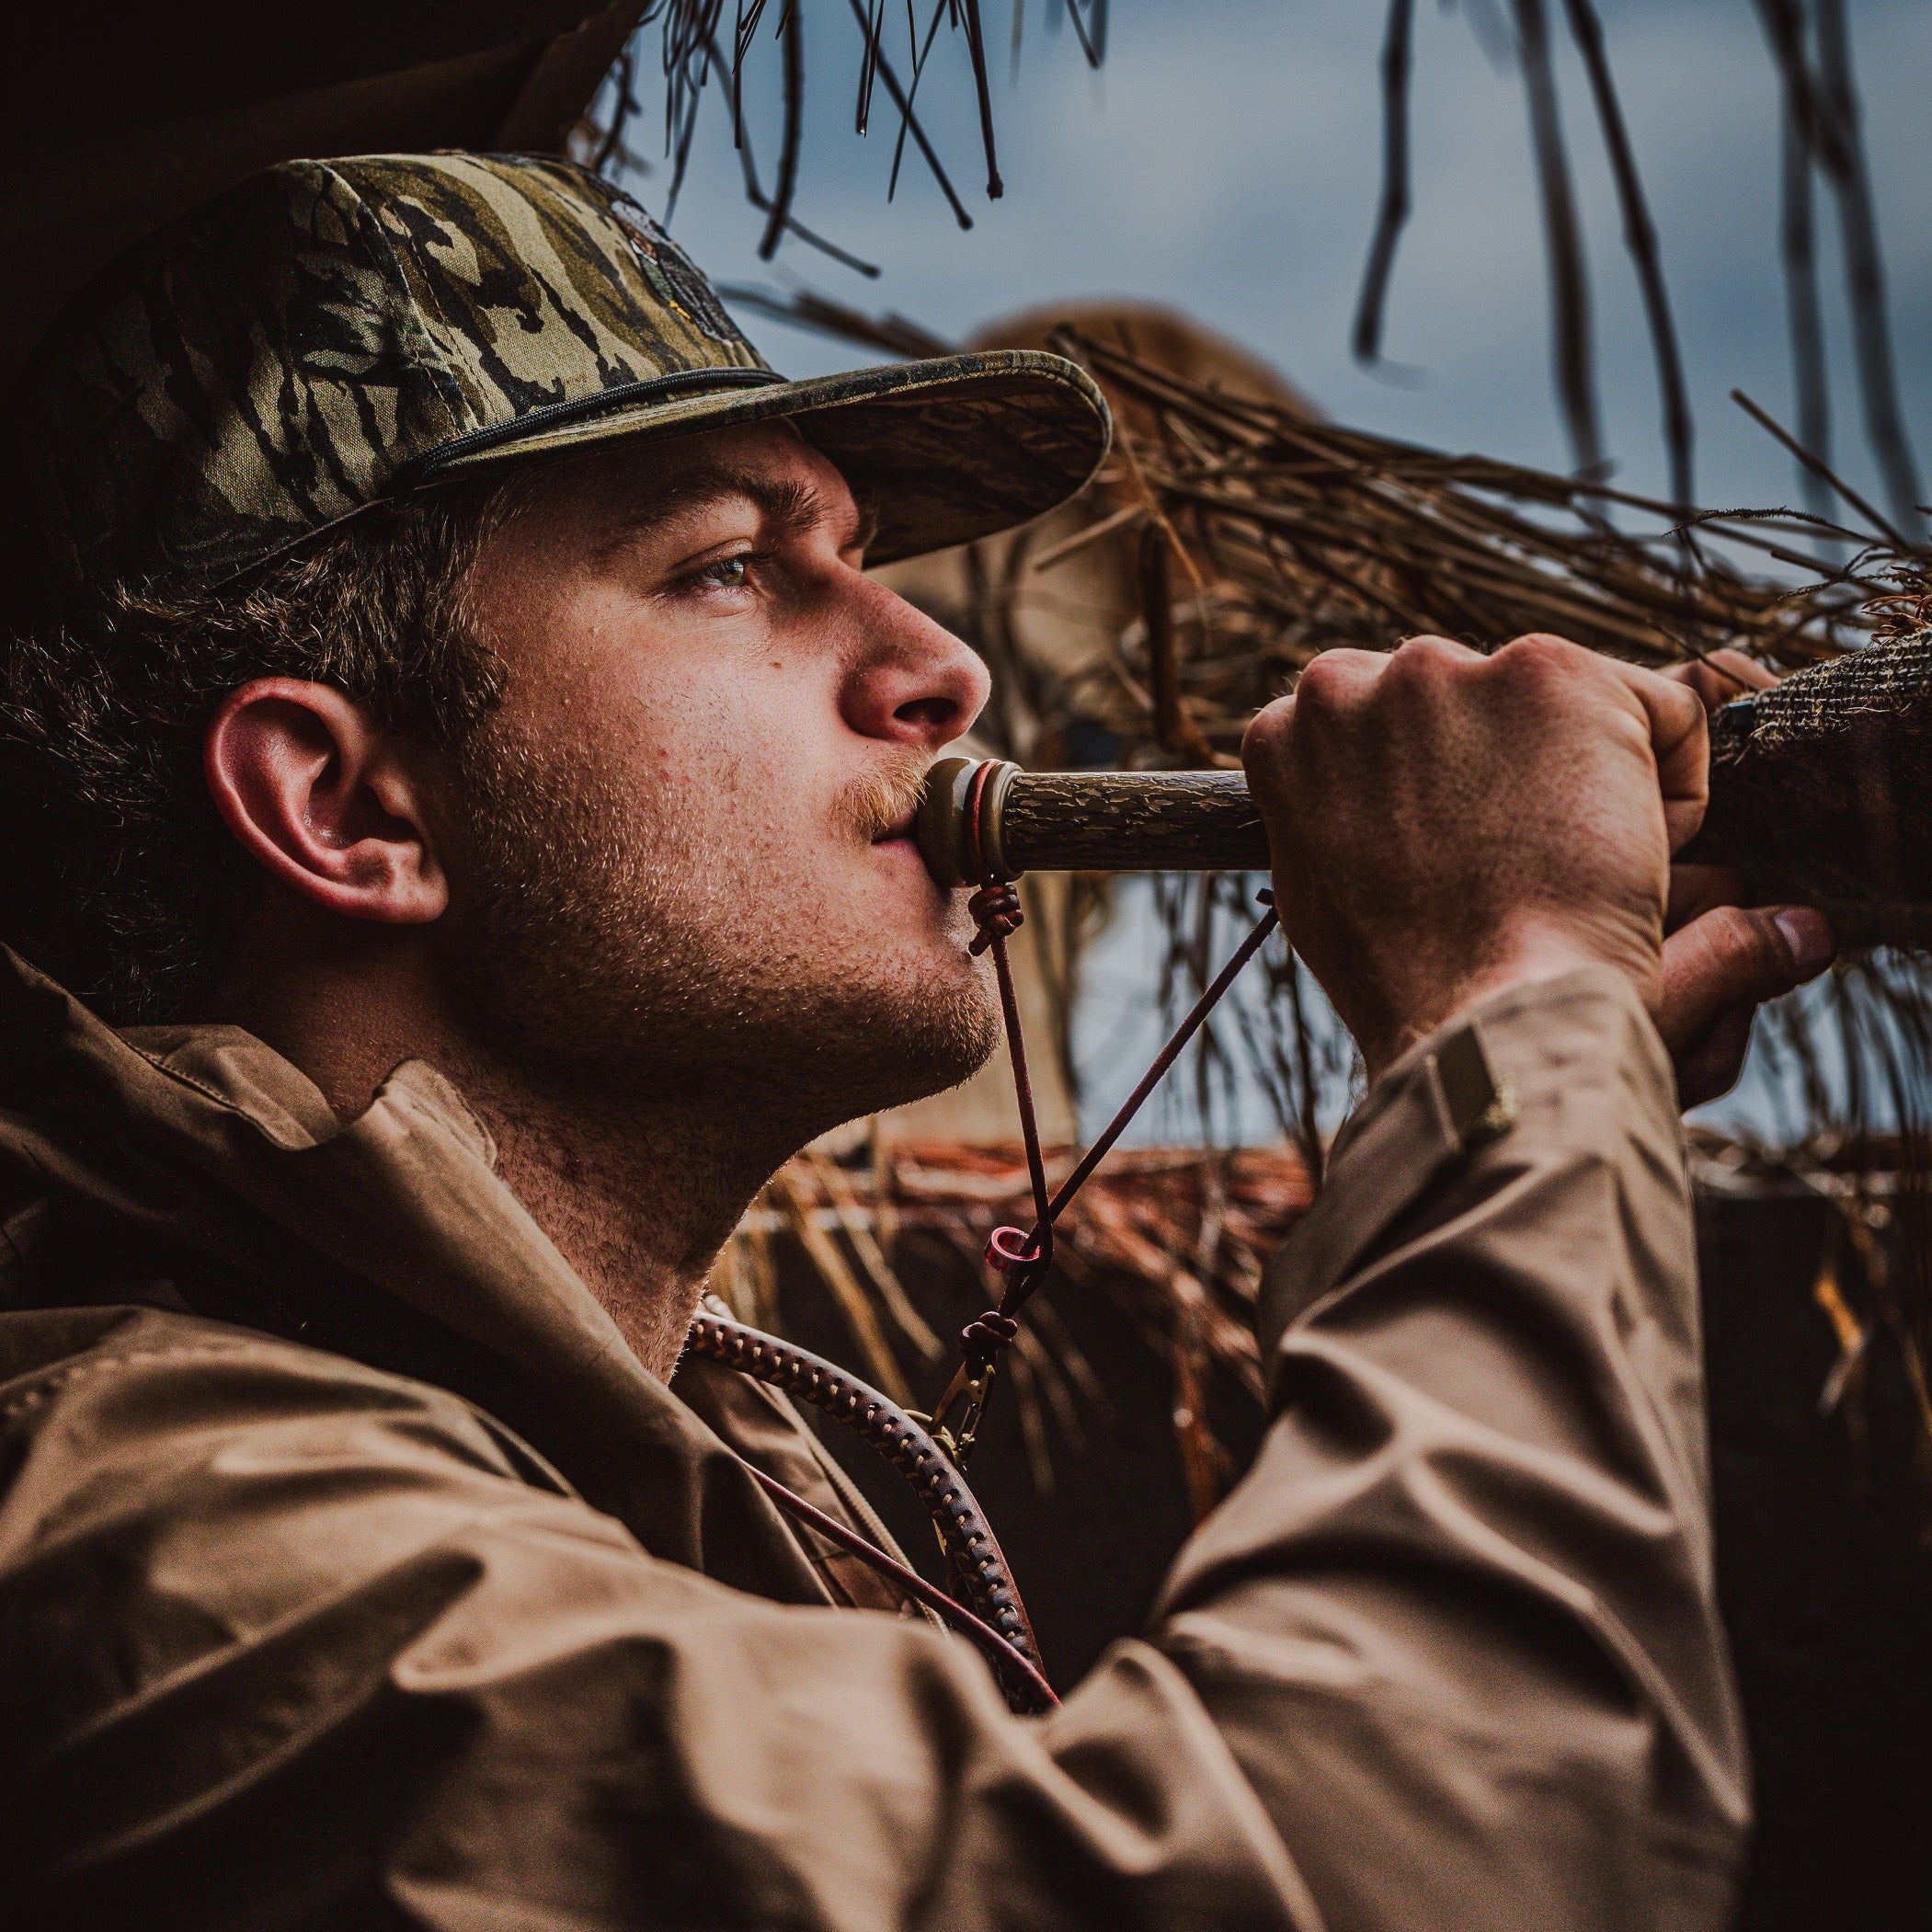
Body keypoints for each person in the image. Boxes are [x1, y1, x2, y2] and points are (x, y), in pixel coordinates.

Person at [0, 152, 1833, 1930]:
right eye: (727, 567)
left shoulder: (651, 1457)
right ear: (344, 809)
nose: (932, 659)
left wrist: (1537, 1078)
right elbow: (1400, 1871)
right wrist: (1510, 1020)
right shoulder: (170, 1548)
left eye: (863, 555)